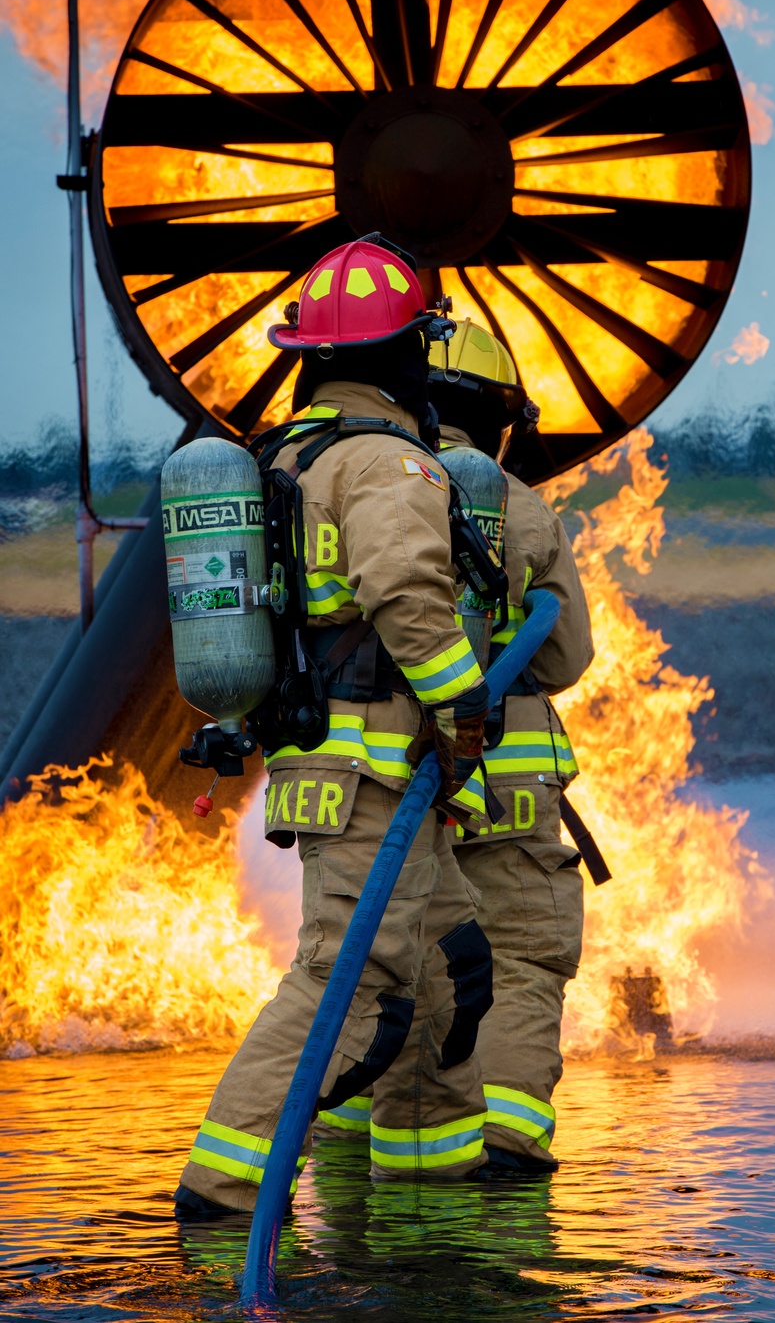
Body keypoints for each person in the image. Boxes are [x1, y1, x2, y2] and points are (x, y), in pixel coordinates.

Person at [174, 239, 495, 1217]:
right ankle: (223, 1199)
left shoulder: (284, 456)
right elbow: (403, 593)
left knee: (449, 964)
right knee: (350, 984)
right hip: (376, 764)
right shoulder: (386, 463)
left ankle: (434, 1186)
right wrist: (463, 706)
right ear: (409, 352)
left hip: (339, 759)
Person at [317, 320, 594, 1175]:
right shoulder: (515, 500)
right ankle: (502, 1150)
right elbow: (565, 655)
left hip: (383, 781)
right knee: (515, 956)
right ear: (502, 416)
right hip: (501, 790)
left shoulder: (352, 476)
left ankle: (360, 1146)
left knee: (394, 955)